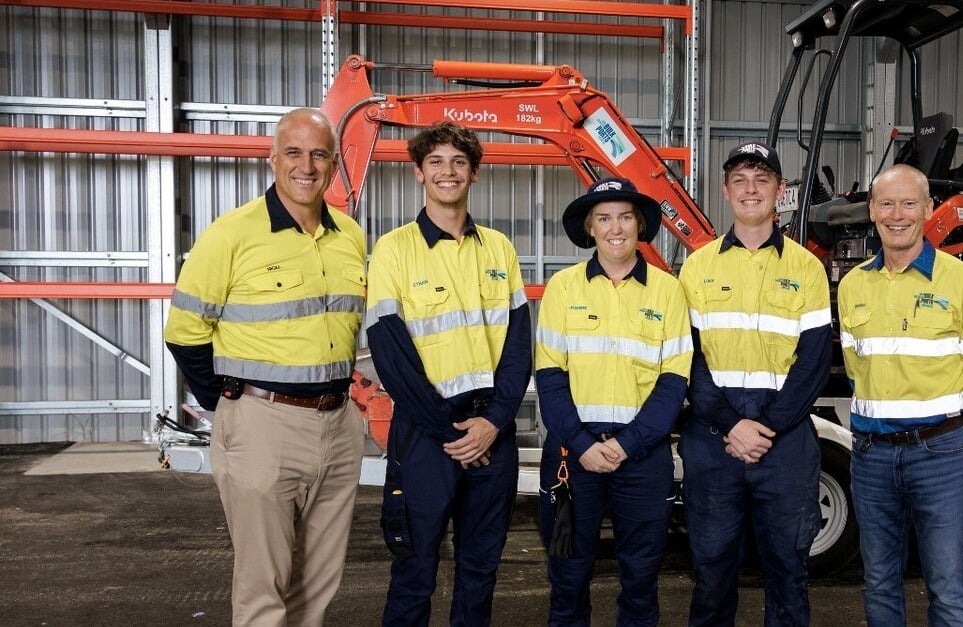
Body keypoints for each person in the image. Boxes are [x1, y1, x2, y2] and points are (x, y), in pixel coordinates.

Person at [164, 107, 367, 626]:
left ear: (334, 163)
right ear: (272, 159)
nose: (306, 165)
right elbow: (185, 332)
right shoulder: (230, 234)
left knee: (319, 585)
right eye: (294, 153)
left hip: (339, 424)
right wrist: (232, 407)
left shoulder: (349, 236)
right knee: (264, 587)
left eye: (319, 154)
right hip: (261, 422)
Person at [365, 121, 532, 627]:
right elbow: (390, 355)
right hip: (427, 435)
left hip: (491, 433)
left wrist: (493, 424)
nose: (447, 171)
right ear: (418, 173)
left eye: (458, 162)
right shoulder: (394, 249)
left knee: (480, 570)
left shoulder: (499, 249)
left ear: (473, 174)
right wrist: (450, 431)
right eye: (435, 162)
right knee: (415, 568)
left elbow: (518, 347)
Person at [837, 163, 963, 626]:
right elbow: (857, 369)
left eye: (909, 203)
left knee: (947, 586)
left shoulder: (962, 283)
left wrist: (945, 429)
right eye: (886, 204)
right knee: (879, 583)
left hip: (940, 456)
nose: (897, 214)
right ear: (872, 211)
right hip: (871, 456)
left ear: (928, 209)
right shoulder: (853, 286)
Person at [677, 142, 832, 626]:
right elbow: (689, 360)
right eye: (740, 179)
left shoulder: (806, 267)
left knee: (788, 568)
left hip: (783, 441)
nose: (750, 189)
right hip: (713, 437)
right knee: (711, 568)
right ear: (725, 191)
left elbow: (814, 362)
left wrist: (764, 427)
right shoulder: (698, 267)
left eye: (762, 179)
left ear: (779, 192)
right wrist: (731, 426)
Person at [535, 177, 692, 626]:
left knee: (641, 582)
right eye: (603, 218)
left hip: (642, 460)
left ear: (640, 224)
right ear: (589, 227)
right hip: (572, 457)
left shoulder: (668, 292)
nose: (615, 228)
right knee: (567, 579)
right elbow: (549, 377)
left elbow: (673, 382)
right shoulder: (563, 289)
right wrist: (583, 445)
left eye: (625, 216)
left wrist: (627, 445)